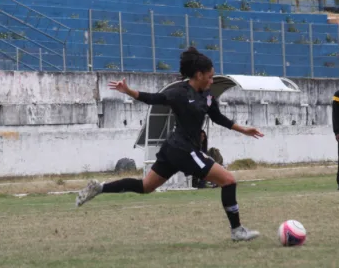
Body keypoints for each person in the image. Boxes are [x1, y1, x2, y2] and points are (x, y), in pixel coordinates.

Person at [75, 47, 264, 242]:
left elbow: (217, 117)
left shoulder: (207, 96)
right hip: (183, 150)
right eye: (209, 76)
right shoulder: (179, 92)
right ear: (198, 75)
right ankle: (237, 230)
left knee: (145, 186)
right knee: (228, 180)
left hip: (174, 150)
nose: (212, 80)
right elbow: (153, 98)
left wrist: (244, 129)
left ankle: (100, 188)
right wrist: (128, 91)